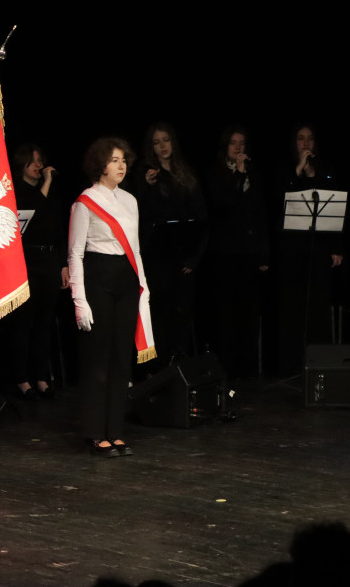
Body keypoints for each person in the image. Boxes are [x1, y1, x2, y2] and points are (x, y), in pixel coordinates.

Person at [68, 137, 154, 457]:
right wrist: (80, 300)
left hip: (126, 279)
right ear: (100, 165)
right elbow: (75, 254)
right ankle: (94, 432)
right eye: (114, 160)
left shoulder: (131, 201)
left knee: (121, 358)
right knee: (98, 359)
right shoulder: (85, 201)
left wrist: (144, 288)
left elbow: (136, 249)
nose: (121, 165)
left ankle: (116, 431)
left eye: (123, 160)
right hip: (98, 278)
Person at [133, 123, 207, 363]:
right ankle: (160, 364)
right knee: (160, 312)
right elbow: (139, 214)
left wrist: (193, 257)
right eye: (157, 142)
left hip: (184, 257)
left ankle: (180, 362)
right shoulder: (146, 173)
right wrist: (147, 187)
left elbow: (201, 218)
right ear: (151, 147)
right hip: (158, 257)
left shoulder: (186, 172)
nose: (162, 146)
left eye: (166, 140)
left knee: (182, 312)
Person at [0, 143, 68, 400]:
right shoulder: (18, 191)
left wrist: (63, 263)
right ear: (22, 165)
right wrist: (46, 183)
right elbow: (33, 212)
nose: (39, 166)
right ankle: (21, 379)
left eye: (41, 161)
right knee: (24, 322)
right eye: (34, 162)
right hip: (27, 260)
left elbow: (59, 228)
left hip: (49, 259)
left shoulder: (52, 193)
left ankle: (41, 377)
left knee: (45, 322)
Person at [274, 124, 343, 377]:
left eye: (310, 139)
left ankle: (318, 367)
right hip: (292, 251)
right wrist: (297, 172)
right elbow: (279, 200)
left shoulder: (326, 170)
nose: (306, 144)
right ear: (295, 144)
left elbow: (335, 208)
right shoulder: (286, 170)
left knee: (318, 307)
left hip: (319, 249)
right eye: (301, 139)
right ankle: (291, 368)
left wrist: (337, 247)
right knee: (293, 309)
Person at [202, 126, 268, 379]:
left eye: (242, 144)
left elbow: (261, 214)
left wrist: (264, 253)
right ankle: (224, 367)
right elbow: (223, 204)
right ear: (225, 147)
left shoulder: (255, 174)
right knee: (226, 313)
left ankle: (246, 368)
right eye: (233, 144)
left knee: (248, 313)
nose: (238, 148)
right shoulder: (216, 173)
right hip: (225, 254)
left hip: (249, 253)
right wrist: (239, 175)